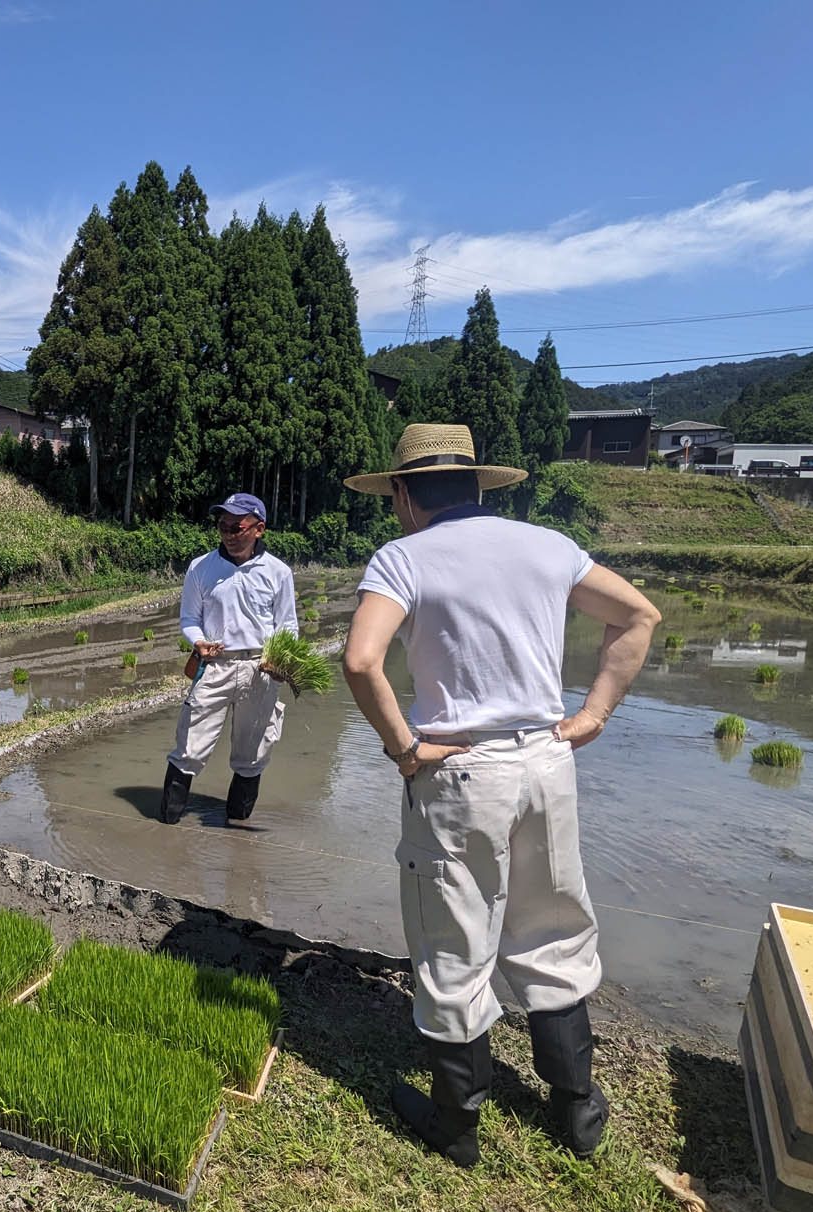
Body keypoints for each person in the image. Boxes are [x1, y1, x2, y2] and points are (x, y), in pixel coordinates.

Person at [340, 423, 661, 1169]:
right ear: (480, 486)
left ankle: (456, 1124)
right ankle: (577, 1110)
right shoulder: (548, 547)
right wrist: (592, 714)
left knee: (454, 938)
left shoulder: (404, 557)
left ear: (404, 495)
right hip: (546, 763)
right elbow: (637, 615)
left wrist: (405, 748)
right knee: (551, 925)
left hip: (458, 771)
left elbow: (361, 659)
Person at [159, 493, 298, 825]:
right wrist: (199, 641)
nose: (227, 534)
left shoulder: (278, 572)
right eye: (222, 526)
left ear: (258, 528)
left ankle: (237, 830)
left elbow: (287, 624)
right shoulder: (201, 567)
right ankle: (165, 827)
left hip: (260, 669)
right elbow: (189, 619)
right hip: (214, 666)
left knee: (253, 752)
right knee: (189, 747)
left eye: (236, 527)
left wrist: (280, 659)